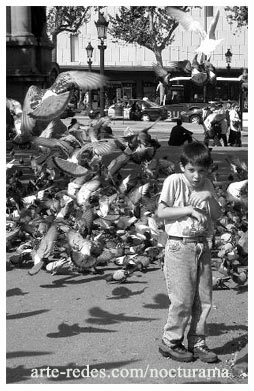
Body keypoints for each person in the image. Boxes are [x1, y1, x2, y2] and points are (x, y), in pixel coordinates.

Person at [156, 142, 221, 363]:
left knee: (204, 299)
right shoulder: (174, 181)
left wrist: (208, 197)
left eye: (201, 171)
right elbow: (161, 211)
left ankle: (198, 342)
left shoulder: (207, 185)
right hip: (179, 246)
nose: (196, 176)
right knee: (182, 299)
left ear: (208, 170)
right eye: (191, 170)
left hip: (202, 245)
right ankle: (171, 341)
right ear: (182, 166)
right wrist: (190, 209)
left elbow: (217, 215)